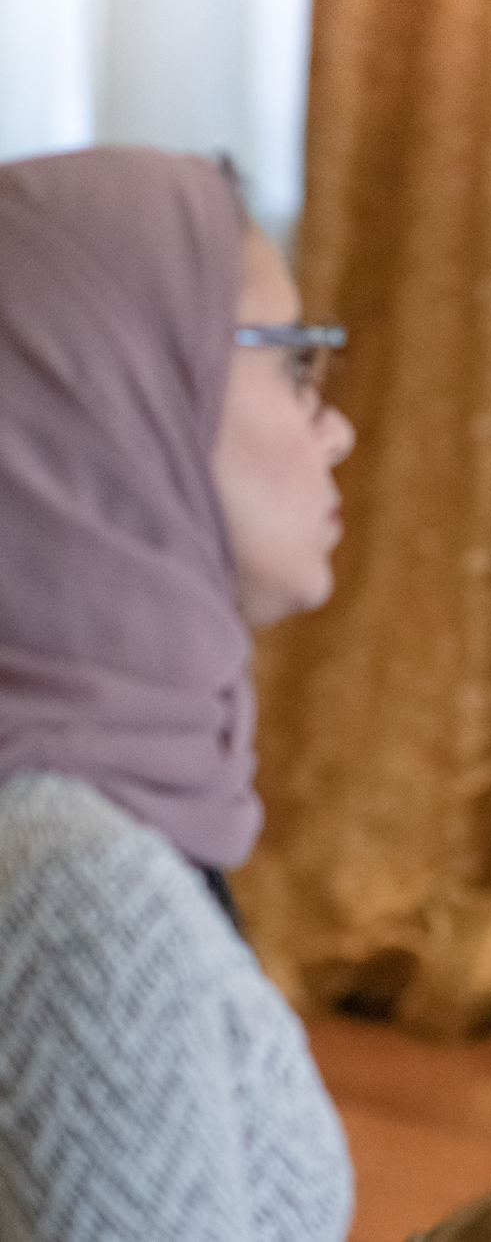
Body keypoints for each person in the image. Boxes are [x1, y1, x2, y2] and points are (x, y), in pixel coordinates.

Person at [0, 147, 356, 1240]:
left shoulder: (80, 797)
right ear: (118, 394)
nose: (334, 425)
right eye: (293, 363)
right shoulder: (75, 883)